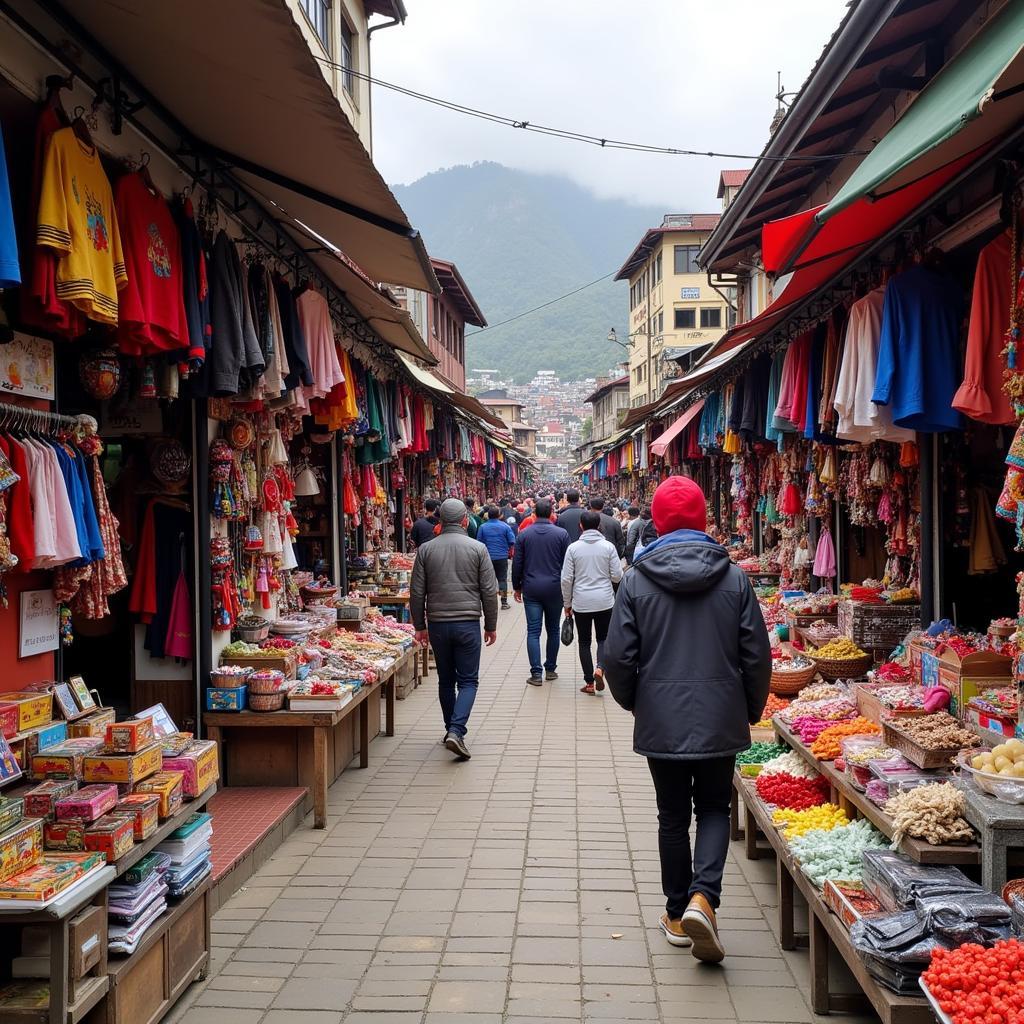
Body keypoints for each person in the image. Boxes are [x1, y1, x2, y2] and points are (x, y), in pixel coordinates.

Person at [603, 476, 771, 963]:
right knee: (715, 808)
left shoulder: (636, 579)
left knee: (672, 815)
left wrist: (636, 700)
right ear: (701, 519)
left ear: (657, 520)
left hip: (661, 716)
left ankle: (678, 913)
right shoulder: (735, 578)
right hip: (721, 714)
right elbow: (756, 655)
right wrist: (749, 708)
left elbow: (617, 657)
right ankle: (705, 898)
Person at [410, 498, 498, 761]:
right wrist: (491, 625)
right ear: (464, 520)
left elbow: (416, 592)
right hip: (468, 623)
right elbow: (489, 592)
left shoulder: (425, 550)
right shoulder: (478, 548)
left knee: (446, 680)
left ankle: (451, 729)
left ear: (440, 520)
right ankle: (456, 731)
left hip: (437, 624)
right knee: (468, 680)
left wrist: (419, 626)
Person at [561, 510, 622, 696]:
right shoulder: (608, 547)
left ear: (581, 525)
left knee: (585, 641)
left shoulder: (573, 548)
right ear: (599, 525)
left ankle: (589, 682)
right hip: (604, 600)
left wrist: (567, 603)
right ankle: (600, 668)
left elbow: (566, 579)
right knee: (603, 638)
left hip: (581, 601)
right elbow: (618, 575)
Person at [512, 498, 569, 686]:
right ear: (552, 513)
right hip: (555, 588)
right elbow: (567, 565)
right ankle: (550, 669)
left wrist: (517, 586)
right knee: (553, 629)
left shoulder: (524, 535)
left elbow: (517, 563)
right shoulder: (561, 534)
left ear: (533, 514)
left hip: (532, 588)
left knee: (533, 631)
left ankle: (536, 673)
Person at [477, 505, 517, 610]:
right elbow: (512, 541)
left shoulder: (483, 527)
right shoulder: (505, 526)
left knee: (487, 581)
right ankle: (504, 603)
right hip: (502, 557)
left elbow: (479, 542)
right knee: (502, 579)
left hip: (487, 558)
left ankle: (487, 603)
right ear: (499, 515)